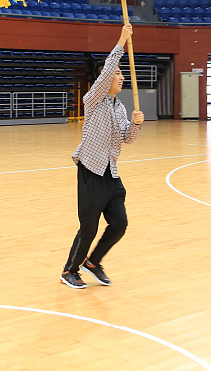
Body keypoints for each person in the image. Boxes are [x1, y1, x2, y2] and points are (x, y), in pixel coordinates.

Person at [61, 24, 144, 289]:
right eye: (117, 74)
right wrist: (121, 41)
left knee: (120, 223)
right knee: (89, 227)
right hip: (90, 171)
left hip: (111, 173)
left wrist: (136, 125)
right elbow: (108, 68)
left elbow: (127, 139)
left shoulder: (120, 107)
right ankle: (69, 270)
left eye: (122, 74)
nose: (121, 77)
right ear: (104, 79)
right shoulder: (93, 99)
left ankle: (93, 262)